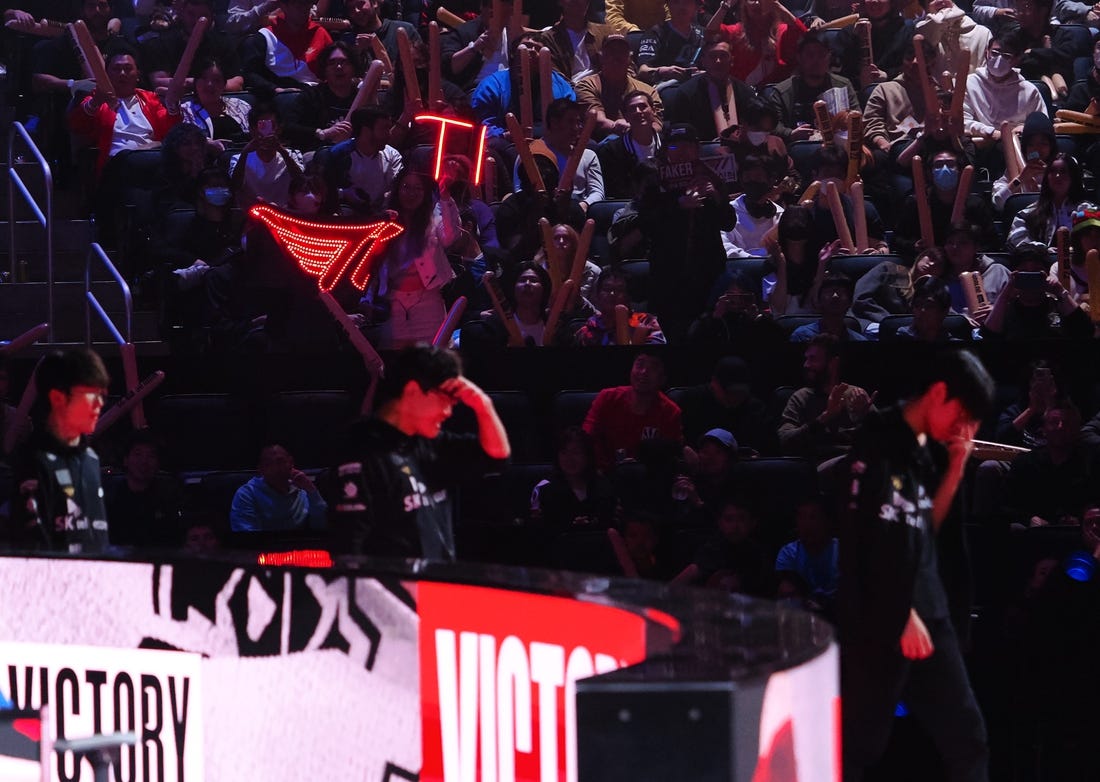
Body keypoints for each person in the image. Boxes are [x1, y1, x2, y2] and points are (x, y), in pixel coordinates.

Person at [839, 348, 994, 782]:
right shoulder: (878, 436)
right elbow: (865, 537)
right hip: (884, 616)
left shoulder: (936, 450)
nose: (961, 428)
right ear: (939, 394)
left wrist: (958, 466)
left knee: (969, 739)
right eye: (960, 413)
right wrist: (899, 611)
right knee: (858, 746)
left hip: (932, 611)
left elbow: (929, 530)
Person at [329, 345, 511, 559]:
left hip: (438, 585)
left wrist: (483, 404)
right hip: (390, 588)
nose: (448, 412)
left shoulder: (430, 443)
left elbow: (497, 457)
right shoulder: (361, 450)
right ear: (413, 391)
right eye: (445, 400)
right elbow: (350, 549)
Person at [8, 349, 111, 553]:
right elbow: (31, 549)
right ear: (57, 398)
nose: (100, 404)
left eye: (103, 395)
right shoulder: (34, 462)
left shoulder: (91, 459)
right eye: (92, 394)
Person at [359, 167, 461, 349]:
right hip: (395, 304)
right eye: (406, 187)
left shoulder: (433, 217)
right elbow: (372, 263)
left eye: (417, 188)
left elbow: (450, 236)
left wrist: (445, 196)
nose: (411, 193)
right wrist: (367, 298)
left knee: (432, 361)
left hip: (429, 304)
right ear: (397, 190)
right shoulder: (386, 221)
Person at [778, 333, 873, 462]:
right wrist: (824, 418)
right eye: (806, 359)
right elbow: (784, 440)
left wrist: (864, 418)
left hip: (853, 462)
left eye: (813, 359)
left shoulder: (855, 395)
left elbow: (883, 439)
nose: (806, 365)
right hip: (817, 464)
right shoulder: (801, 397)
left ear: (833, 363)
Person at [582, 351, 683, 471]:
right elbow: (586, 439)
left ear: (663, 379)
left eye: (653, 368)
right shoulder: (607, 398)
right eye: (640, 365)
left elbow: (670, 458)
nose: (644, 372)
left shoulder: (670, 413)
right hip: (604, 475)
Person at [764, 30, 859, 145]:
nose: (816, 60)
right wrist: (790, 133)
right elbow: (772, 125)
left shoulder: (843, 85)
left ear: (829, 57)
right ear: (799, 57)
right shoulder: (783, 91)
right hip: (801, 147)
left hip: (837, 146)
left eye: (821, 54)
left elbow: (856, 116)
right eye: (810, 55)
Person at [319, 106, 405, 217]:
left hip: (381, 215)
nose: (389, 135)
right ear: (366, 131)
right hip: (346, 216)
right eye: (384, 129)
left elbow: (396, 190)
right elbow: (322, 191)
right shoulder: (338, 155)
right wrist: (344, 194)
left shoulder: (393, 156)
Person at [529, 426, 618, 530]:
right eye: (564, 452)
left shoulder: (602, 485)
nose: (569, 459)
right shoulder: (545, 488)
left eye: (576, 452)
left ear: (587, 455)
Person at [575, 34, 663, 140]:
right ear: (601, 57)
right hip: (603, 141)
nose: (617, 57)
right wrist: (618, 127)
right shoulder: (586, 85)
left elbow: (657, 124)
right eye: (611, 52)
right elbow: (599, 121)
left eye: (622, 52)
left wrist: (635, 132)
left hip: (643, 140)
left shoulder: (648, 91)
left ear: (629, 58)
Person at [105, 429, 183, 547]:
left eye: (151, 456)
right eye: (138, 454)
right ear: (126, 460)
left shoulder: (168, 498)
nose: (144, 462)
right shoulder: (110, 498)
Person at [230, 443, 327, 532]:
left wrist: (312, 491)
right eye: (268, 464)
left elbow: (321, 526)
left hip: (299, 548)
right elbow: (245, 534)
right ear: (261, 469)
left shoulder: (302, 489)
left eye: (280, 461)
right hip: (264, 549)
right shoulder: (247, 494)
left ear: (291, 462)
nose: (275, 468)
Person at [709, 0, 807, 87]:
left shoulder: (782, 30)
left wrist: (777, 5)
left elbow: (803, 35)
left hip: (774, 96)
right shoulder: (736, 31)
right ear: (744, 5)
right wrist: (725, 6)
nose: (757, 3)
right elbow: (710, 33)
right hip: (743, 96)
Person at [1005, 152, 1083, 253]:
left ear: (1073, 177)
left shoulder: (1086, 210)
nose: (1057, 176)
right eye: (1053, 171)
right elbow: (1016, 239)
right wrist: (1044, 250)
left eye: (1063, 171)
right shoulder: (1028, 214)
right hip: (1039, 264)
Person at [596, 89, 664, 198]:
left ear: (654, 111)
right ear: (625, 116)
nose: (638, 111)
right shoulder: (611, 151)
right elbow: (615, 190)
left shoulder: (668, 145)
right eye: (632, 109)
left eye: (643, 106)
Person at [635, 0, 706, 86]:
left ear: (696, 7)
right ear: (668, 5)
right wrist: (662, 71)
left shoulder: (703, 34)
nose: (681, 7)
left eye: (687, 2)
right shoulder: (656, 33)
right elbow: (643, 71)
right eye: (676, 2)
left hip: (700, 85)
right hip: (667, 87)